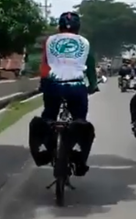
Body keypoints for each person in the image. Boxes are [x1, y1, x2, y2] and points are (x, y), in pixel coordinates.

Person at [29, 11, 98, 177]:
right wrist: (93, 86)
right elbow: (90, 68)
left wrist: (43, 84)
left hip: (53, 86)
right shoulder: (84, 43)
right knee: (80, 121)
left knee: (48, 118)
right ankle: (80, 160)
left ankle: (48, 149)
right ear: (78, 28)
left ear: (59, 27)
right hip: (76, 87)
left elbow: (45, 66)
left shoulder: (50, 41)